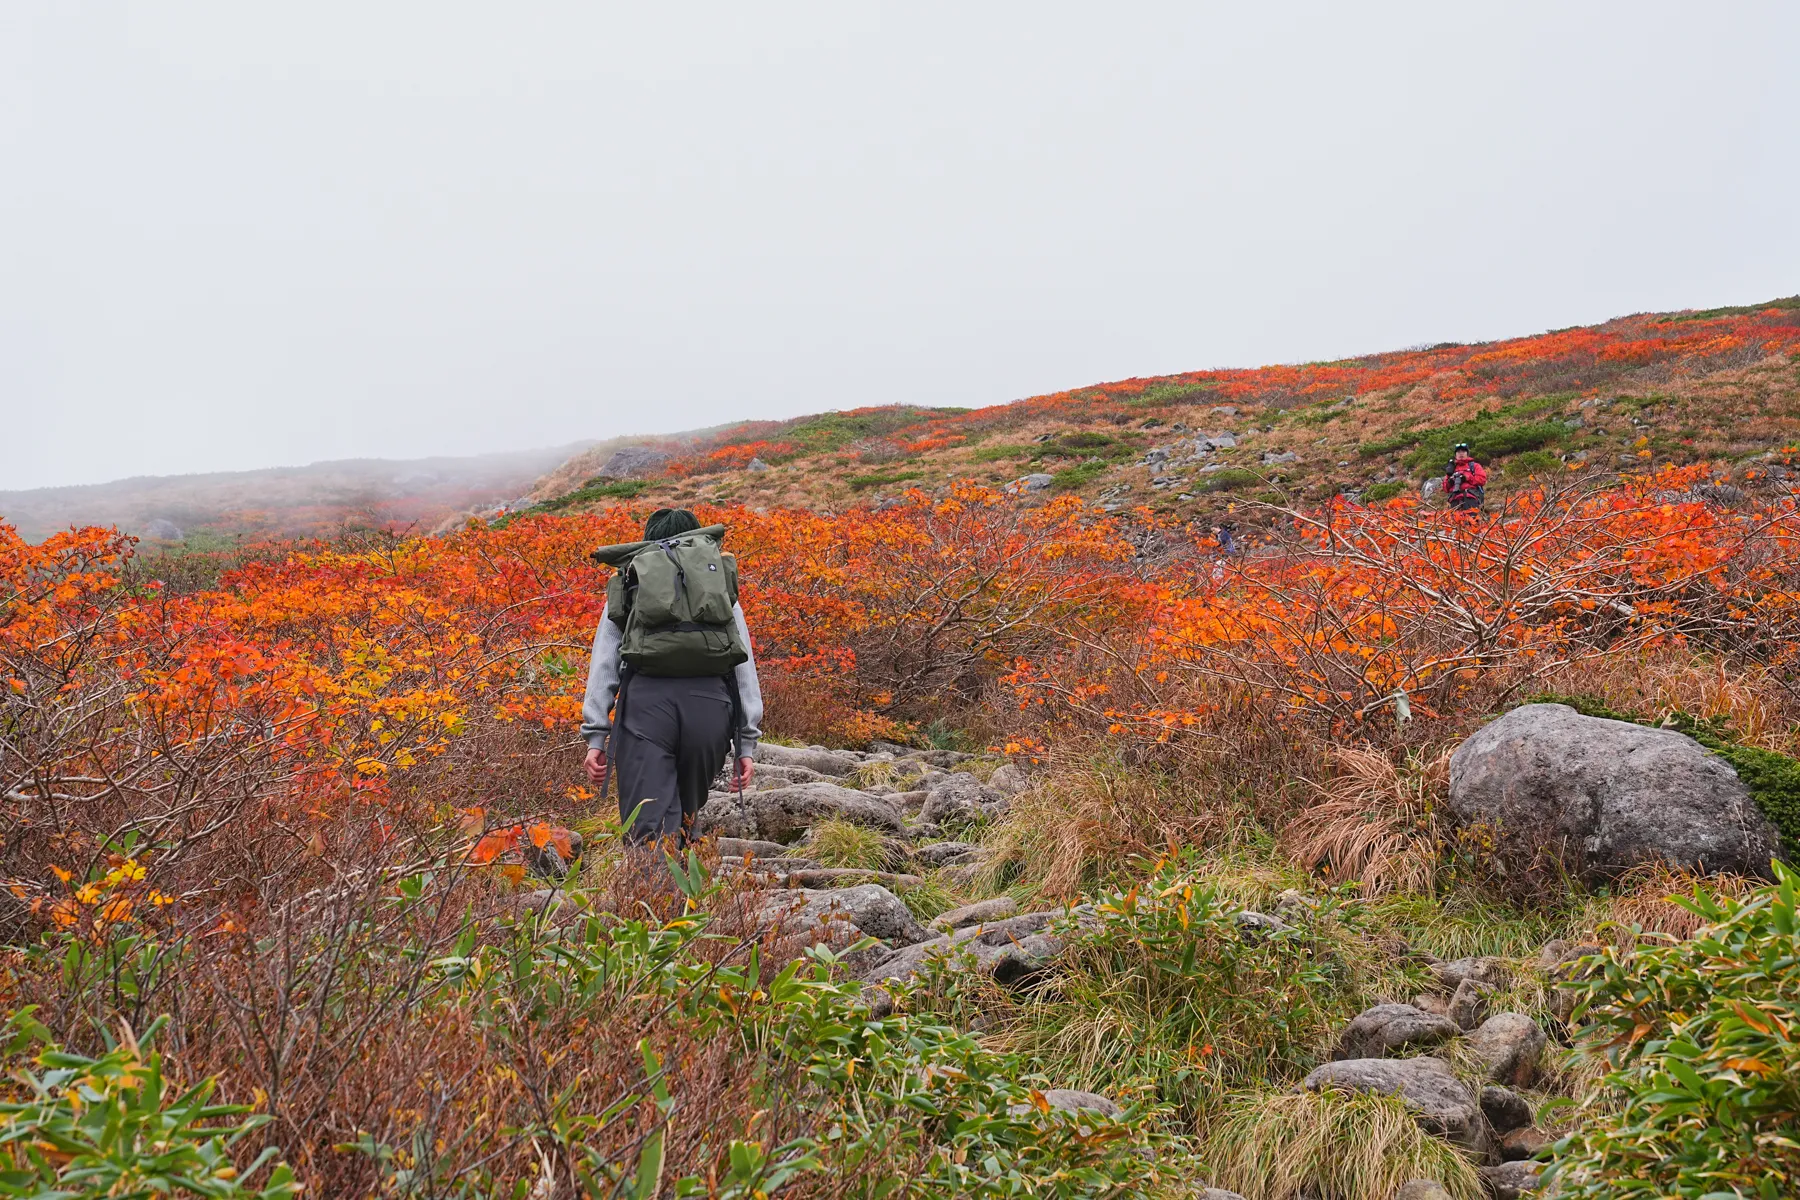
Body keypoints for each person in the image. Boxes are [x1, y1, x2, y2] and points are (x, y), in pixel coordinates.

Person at [580, 508, 763, 846]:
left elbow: (604, 663)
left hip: (646, 708)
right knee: (686, 813)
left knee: (649, 822)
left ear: (648, 542)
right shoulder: (717, 583)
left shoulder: (632, 579)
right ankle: (688, 889)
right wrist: (746, 744)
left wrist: (596, 736)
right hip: (710, 708)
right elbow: (743, 667)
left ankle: (654, 894)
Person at [1443, 443, 1488, 512]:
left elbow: (1482, 480)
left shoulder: (1474, 466)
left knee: (1472, 521)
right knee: (1455, 522)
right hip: (1454, 500)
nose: (1461, 454)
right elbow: (1445, 488)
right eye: (1458, 452)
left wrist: (1467, 478)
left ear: (1467, 453)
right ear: (1455, 455)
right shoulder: (1451, 469)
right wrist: (1450, 482)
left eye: (1463, 451)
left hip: (1471, 498)